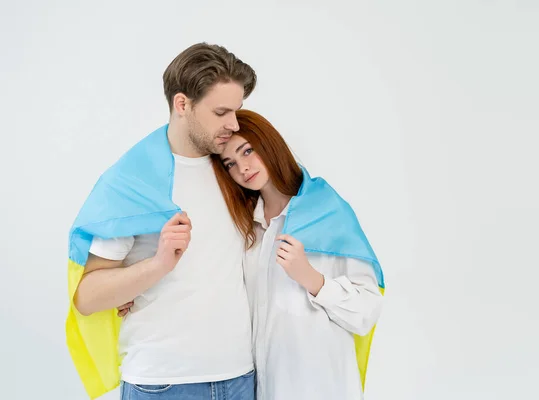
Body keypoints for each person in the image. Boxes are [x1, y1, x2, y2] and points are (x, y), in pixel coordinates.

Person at [65, 43, 258, 400]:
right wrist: (157, 266)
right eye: (221, 112)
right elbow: (87, 297)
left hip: (241, 376)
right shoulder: (132, 182)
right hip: (163, 383)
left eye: (237, 111)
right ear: (182, 104)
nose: (233, 124)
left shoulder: (239, 170)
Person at [211, 109, 385, 400]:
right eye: (230, 163)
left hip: (321, 388)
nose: (243, 167)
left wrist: (312, 279)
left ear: (269, 144)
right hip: (261, 388)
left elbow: (366, 312)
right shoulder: (246, 229)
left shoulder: (327, 211)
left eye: (248, 151)